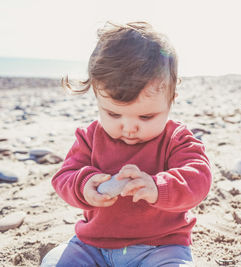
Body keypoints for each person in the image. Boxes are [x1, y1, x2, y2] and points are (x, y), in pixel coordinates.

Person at [41, 21, 212, 267]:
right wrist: (84, 185)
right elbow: (64, 176)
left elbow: (199, 179)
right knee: (54, 263)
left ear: (171, 100)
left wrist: (157, 187)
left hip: (161, 246)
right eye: (114, 114)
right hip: (93, 246)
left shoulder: (176, 139)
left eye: (145, 117)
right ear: (98, 98)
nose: (129, 127)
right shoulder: (90, 137)